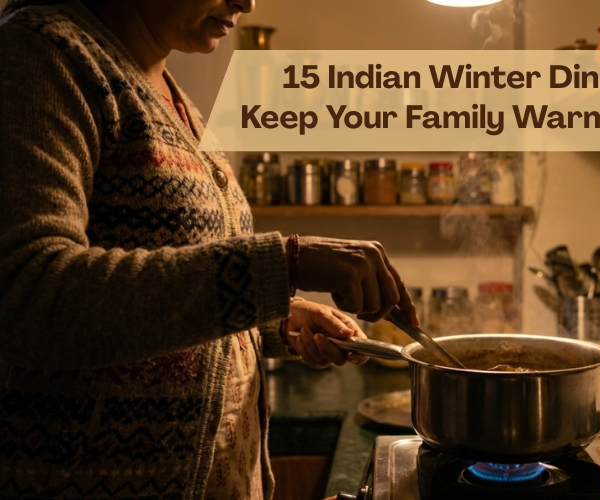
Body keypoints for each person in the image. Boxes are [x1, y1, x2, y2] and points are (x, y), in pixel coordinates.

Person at [0, 0, 418, 498]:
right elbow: (25, 294)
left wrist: (274, 320)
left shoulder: (165, 90)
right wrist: (284, 264)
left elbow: (170, 290)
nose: (248, 3)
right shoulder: (41, 55)